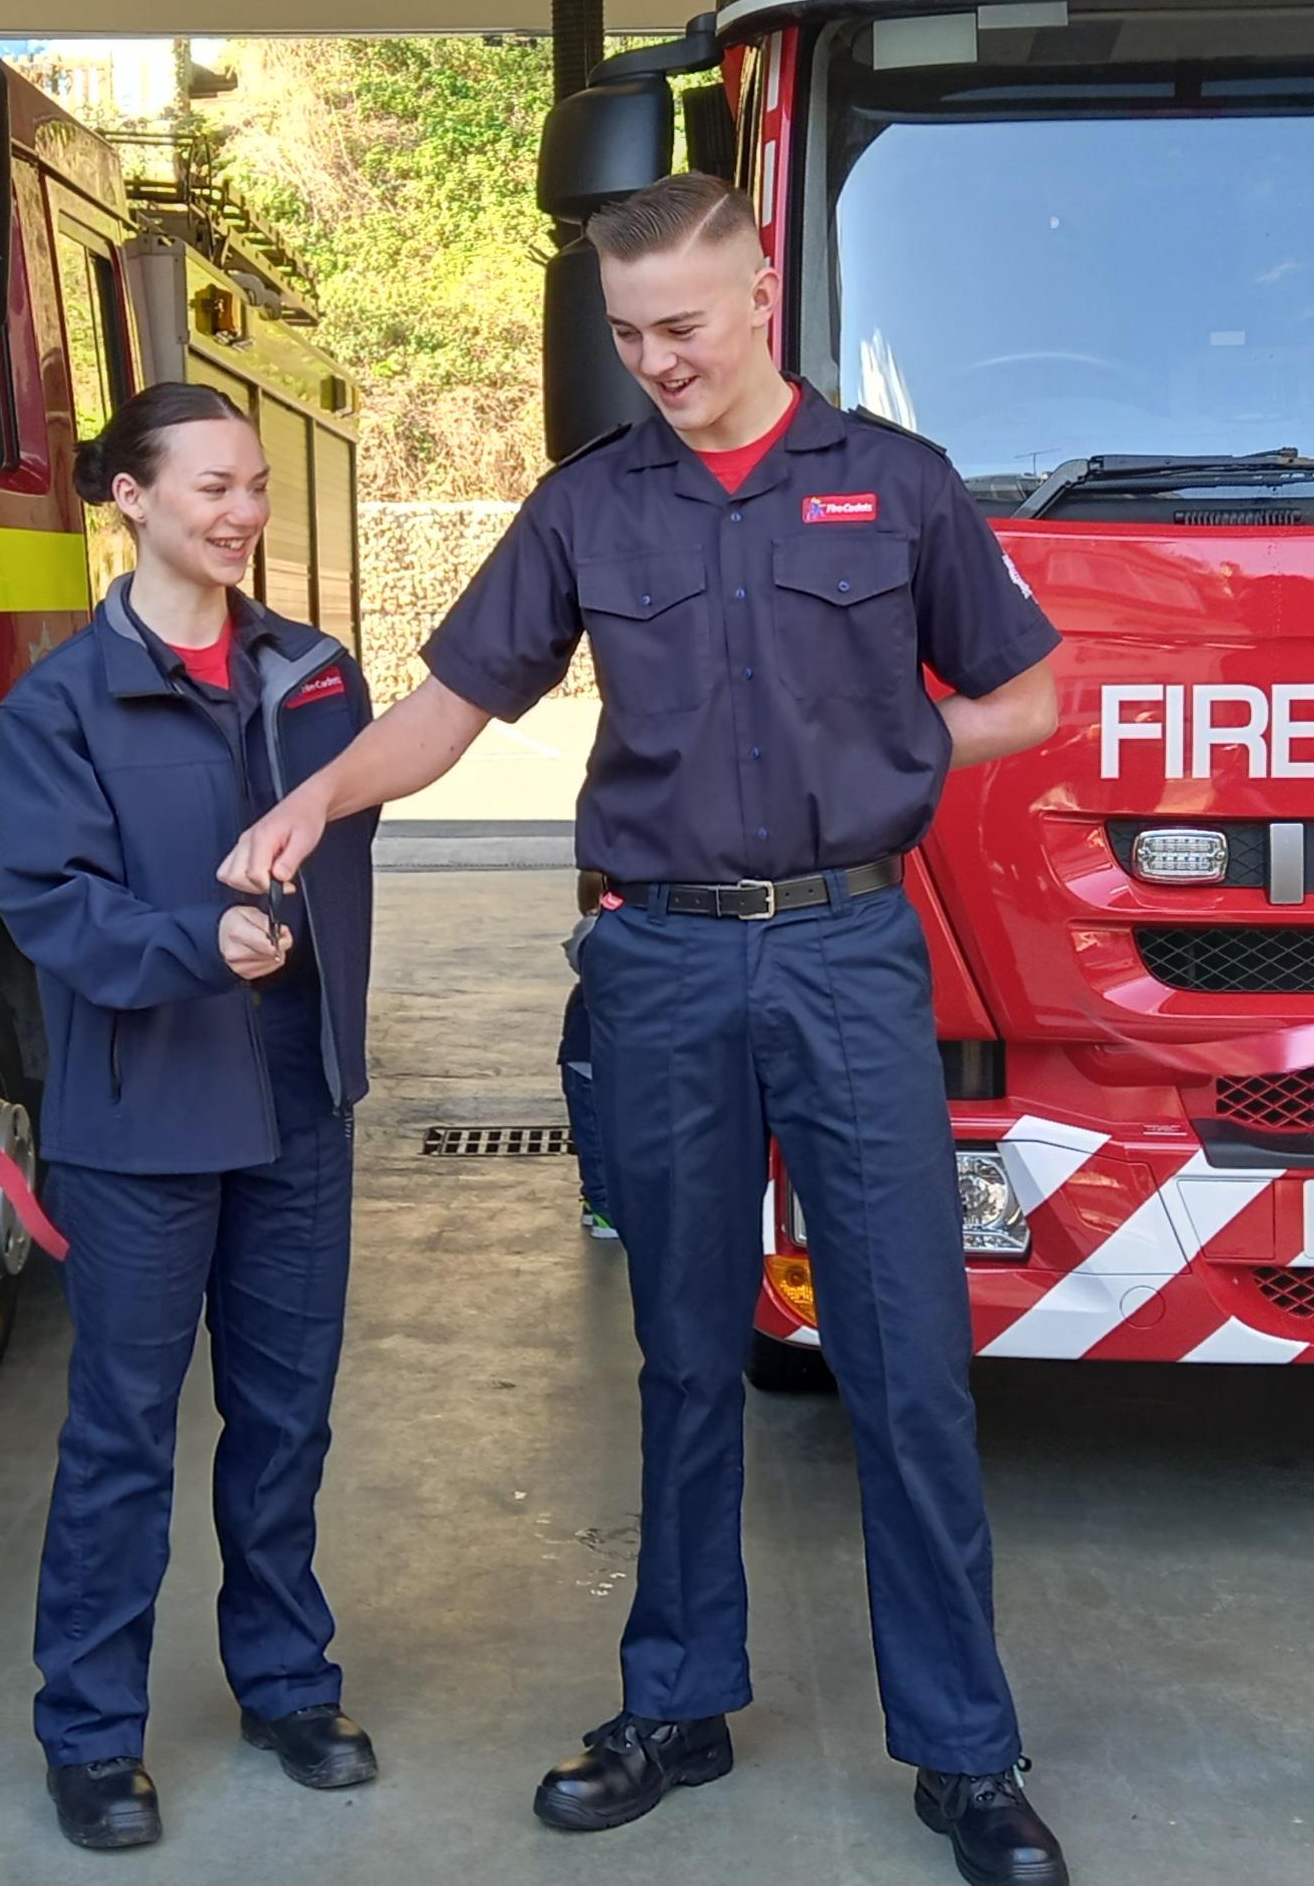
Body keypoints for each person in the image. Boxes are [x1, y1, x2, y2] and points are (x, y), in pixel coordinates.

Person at [221, 173, 1070, 1883]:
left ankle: (964, 1752)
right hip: (660, 965)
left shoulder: (890, 488)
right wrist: (319, 795)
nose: (654, 361)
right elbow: (456, 703)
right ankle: (675, 1698)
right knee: (682, 1348)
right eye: (625, 336)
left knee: (902, 1362)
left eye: (678, 326)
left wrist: (889, 766)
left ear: (757, 293)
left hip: (844, 954)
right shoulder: (587, 506)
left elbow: (1025, 692)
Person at [0, 382, 381, 1853]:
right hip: (142, 1119)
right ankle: (89, 1732)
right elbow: (51, 907)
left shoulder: (314, 673)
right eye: (210, 486)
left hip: (295, 1106)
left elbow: (351, 835)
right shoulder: (59, 706)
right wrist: (192, 946)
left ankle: (286, 1680)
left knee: (284, 1420)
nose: (240, 512)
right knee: (123, 1431)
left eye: (256, 486)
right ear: (131, 500)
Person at [559, 867, 616, 1241]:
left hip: (590, 1056)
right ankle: (605, 1208)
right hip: (591, 1057)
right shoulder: (597, 935)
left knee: (597, 1136)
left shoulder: (595, 932)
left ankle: (599, 1200)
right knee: (599, 1136)